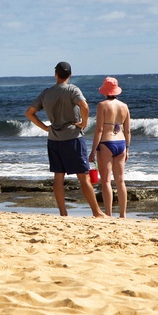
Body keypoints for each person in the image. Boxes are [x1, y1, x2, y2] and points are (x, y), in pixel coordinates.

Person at [26, 62, 106, 218]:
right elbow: (84, 106)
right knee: (83, 176)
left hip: (54, 139)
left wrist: (45, 128)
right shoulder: (72, 89)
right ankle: (96, 212)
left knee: (58, 176)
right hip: (72, 138)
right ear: (69, 74)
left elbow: (29, 113)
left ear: (55, 74)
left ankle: (63, 212)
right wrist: (83, 123)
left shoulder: (46, 93)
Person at [89, 76, 131, 218]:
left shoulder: (102, 105)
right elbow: (128, 131)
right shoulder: (124, 106)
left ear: (105, 91)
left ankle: (108, 213)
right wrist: (127, 149)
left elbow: (99, 130)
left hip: (106, 143)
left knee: (106, 180)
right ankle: (123, 214)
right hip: (121, 143)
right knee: (120, 180)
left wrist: (93, 150)